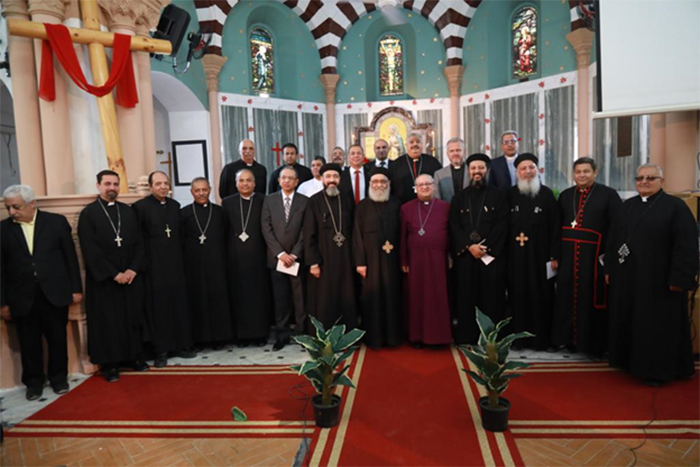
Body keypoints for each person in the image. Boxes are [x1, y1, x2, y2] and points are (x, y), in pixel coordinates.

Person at [606, 164, 698, 386]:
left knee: (656, 327)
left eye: (650, 178)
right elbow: (613, 240)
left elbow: (686, 246)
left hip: (660, 282)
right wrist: (609, 269)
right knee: (632, 321)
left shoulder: (676, 207)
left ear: (661, 181)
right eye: (639, 178)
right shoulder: (627, 206)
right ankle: (630, 363)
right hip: (629, 279)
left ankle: (657, 371)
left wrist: (680, 279)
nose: (644, 182)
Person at [1, 185, 82, 399]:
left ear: (32, 204)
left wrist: (76, 289)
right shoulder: (3, 229)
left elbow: (70, 258)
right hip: (21, 296)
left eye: (16, 207)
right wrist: (3, 303)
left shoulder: (56, 222)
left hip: (54, 292)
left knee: (57, 339)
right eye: (8, 208)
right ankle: (34, 383)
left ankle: (59, 378)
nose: (11, 212)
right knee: (28, 343)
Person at [78, 170, 148, 383]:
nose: (112, 188)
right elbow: (90, 249)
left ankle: (133, 357)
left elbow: (140, 243)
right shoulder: (88, 214)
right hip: (105, 280)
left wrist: (133, 269)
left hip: (130, 276)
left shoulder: (128, 211)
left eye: (116, 184)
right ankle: (110, 364)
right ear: (98, 186)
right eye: (107, 184)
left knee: (132, 318)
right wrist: (113, 273)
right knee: (108, 322)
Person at [552, 157, 621, 356]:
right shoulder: (566, 195)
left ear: (595, 172)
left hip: (594, 259)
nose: (582, 175)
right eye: (578, 172)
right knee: (566, 298)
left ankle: (593, 344)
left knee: (590, 298)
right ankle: (567, 340)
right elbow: (556, 228)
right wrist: (555, 255)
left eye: (586, 171)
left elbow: (616, 229)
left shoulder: (608, 195)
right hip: (568, 258)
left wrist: (609, 260)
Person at [133, 171, 194, 367]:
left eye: (165, 183)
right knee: (158, 309)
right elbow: (138, 239)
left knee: (178, 305)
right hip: (154, 267)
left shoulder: (174, 206)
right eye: (158, 184)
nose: (162, 187)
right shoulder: (140, 208)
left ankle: (180, 345)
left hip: (175, 265)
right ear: (151, 187)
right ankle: (161, 350)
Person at [450, 154, 508, 344]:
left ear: (487, 170)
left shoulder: (499, 195)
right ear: (468, 171)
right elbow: (454, 225)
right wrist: (469, 246)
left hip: (490, 257)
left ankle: (490, 338)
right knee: (466, 297)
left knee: (491, 298)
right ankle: (466, 336)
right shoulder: (459, 197)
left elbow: (502, 224)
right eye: (473, 168)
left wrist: (486, 247)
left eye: (481, 168)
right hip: (467, 257)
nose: (477, 172)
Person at [506, 154, 560, 350]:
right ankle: (518, 339)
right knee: (517, 296)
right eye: (523, 168)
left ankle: (541, 340)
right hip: (516, 258)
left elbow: (556, 227)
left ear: (537, 170)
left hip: (541, 257)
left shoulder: (546, 195)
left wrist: (554, 255)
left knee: (542, 296)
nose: (527, 172)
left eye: (531, 168)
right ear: (517, 172)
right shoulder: (510, 195)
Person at [181, 177, 233, 350]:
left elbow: (226, 235)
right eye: (197, 190)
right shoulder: (184, 213)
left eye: (204, 190)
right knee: (198, 301)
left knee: (218, 300)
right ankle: (200, 340)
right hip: (194, 266)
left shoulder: (219, 212)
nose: (201, 193)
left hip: (217, 264)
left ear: (210, 190)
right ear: (192, 192)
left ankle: (219, 338)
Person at [223, 169, 273, 347]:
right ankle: (241, 335)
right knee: (239, 296)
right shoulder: (227, 202)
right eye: (241, 180)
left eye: (248, 180)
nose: (245, 184)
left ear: (255, 183)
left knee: (259, 296)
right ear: (236, 183)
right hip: (235, 258)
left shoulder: (264, 200)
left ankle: (260, 334)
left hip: (259, 257)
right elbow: (224, 230)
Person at [304, 163, 358, 329]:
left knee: (346, 295)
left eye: (335, 176)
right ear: (322, 179)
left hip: (345, 258)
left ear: (340, 179)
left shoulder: (347, 199)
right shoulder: (314, 201)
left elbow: (355, 229)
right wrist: (313, 262)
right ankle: (325, 335)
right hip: (323, 259)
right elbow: (309, 233)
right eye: (328, 177)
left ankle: (346, 334)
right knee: (325, 298)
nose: (331, 180)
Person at [400, 174, 452, 346]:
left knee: (437, 297)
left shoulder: (445, 207)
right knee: (416, 297)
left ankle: (439, 337)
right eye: (420, 185)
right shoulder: (406, 208)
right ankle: (417, 336)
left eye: (428, 184)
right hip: (415, 259)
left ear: (434, 186)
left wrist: (451, 256)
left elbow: (451, 233)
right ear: (415, 188)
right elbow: (402, 236)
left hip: (438, 258)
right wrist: (403, 260)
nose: (424, 187)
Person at [354, 168, 402, 348]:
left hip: (393, 260)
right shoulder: (362, 206)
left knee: (392, 296)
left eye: (383, 182)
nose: (379, 185)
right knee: (372, 298)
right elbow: (357, 235)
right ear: (370, 184)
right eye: (375, 182)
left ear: (389, 184)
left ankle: (393, 337)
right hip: (370, 260)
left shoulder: (396, 204)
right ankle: (374, 338)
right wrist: (360, 262)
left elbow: (403, 233)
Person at [262, 166, 309, 351]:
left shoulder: (304, 201)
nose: (287, 181)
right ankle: (282, 335)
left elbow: (306, 229)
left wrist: (295, 253)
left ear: (297, 181)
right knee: (280, 298)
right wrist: (281, 254)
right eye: (284, 178)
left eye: (291, 178)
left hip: (298, 258)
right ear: (279, 180)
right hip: (277, 259)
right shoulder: (269, 200)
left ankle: (302, 333)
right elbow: (266, 228)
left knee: (300, 298)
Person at [390, 133, 442, 204]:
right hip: (402, 204)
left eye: (418, 142)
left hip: (429, 203)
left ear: (422, 145)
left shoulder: (433, 162)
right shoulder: (396, 164)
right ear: (406, 145)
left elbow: (439, 184)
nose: (415, 144)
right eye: (411, 142)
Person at [434, 137, 469, 203]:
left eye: (458, 150)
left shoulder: (472, 171)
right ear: (447, 154)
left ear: (465, 152)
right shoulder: (439, 174)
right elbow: (437, 199)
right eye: (452, 151)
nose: (455, 153)